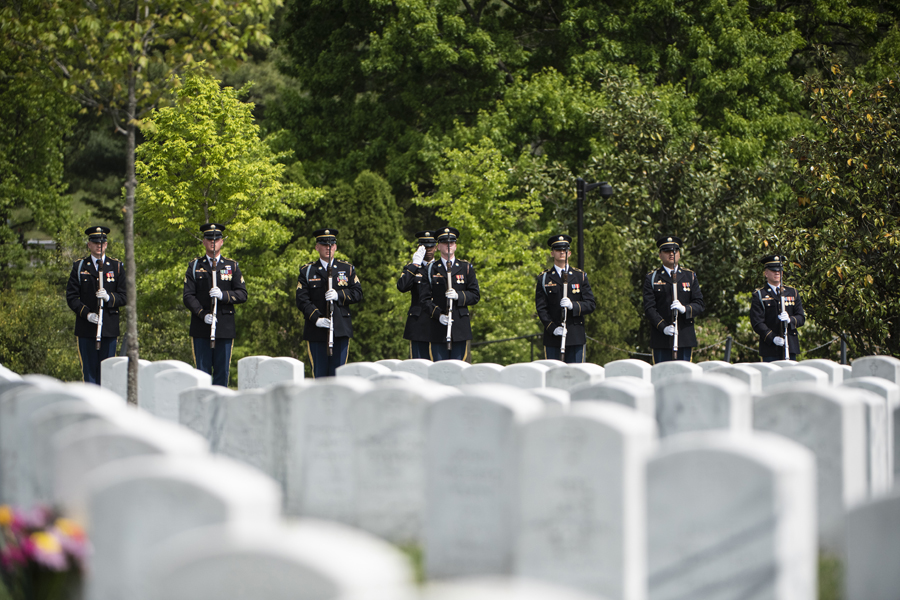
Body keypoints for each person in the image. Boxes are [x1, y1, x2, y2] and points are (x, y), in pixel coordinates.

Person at [183, 223, 247, 386]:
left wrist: (223, 295)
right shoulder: (195, 266)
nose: (213, 242)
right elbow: (188, 296)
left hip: (224, 327)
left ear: (222, 242)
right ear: (203, 242)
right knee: (202, 372)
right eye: (209, 239)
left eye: (216, 239)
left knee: (222, 372)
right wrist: (202, 314)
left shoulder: (231, 266)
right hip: (201, 326)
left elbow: (242, 294)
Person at [296, 228, 363, 377]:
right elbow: (302, 299)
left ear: (336, 247)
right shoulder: (308, 271)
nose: (328, 247)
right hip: (317, 330)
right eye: (324, 244)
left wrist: (339, 295)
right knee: (319, 375)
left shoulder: (346, 269)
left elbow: (358, 293)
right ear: (317, 247)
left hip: (340, 329)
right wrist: (316, 318)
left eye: (331, 244)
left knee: (338, 375)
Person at [66, 226, 126, 384]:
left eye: (102, 242)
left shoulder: (116, 267)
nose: (99, 245)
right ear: (89, 245)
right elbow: (72, 297)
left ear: (106, 244)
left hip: (108, 328)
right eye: (95, 242)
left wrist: (109, 298)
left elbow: (124, 296)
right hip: (87, 328)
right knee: (90, 374)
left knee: (108, 374)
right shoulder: (80, 267)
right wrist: (87, 314)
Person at [642, 235, 705, 363]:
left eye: (675, 250)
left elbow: (699, 304)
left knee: (685, 379)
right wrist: (663, 327)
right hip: (662, 339)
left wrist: (685, 309)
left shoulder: (689, 276)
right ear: (660, 255)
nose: (671, 254)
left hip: (684, 337)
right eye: (667, 251)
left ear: (679, 254)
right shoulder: (653, 278)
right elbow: (649, 308)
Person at [420, 227, 480, 361]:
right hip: (438, 328)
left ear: (455, 246)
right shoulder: (431, 269)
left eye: (451, 243)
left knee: (459, 369)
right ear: (438, 246)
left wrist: (459, 295)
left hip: (459, 328)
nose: (448, 246)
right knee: (438, 369)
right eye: (444, 242)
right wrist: (438, 315)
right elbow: (424, 299)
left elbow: (475, 295)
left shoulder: (465, 268)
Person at [535, 234, 597, 363]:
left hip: (575, 336)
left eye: (565, 250)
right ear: (552, 253)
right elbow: (542, 308)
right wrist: (553, 328)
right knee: (553, 376)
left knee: (576, 375)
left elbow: (590, 304)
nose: (562, 252)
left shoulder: (580, 276)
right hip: (554, 337)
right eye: (558, 250)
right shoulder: (544, 278)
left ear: (569, 253)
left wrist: (573, 305)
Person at [749, 254, 805, 361]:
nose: (777, 272)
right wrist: (772, 337)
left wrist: (790, 320)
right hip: (770, 348)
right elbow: (757, 322)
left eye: (779, 270)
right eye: (773, 270)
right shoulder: (760, 295)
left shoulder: (792, 292)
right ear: (766, 273)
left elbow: (801, 317)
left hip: (790, 346)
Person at [397, 230, 438, 359]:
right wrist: (415, 265)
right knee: (418, 364)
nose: (429, 250)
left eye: (431, 246)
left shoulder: (441, 267)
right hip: (418, 322)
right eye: (425, 247)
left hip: (437, 320)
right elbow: (402, 286)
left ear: (436, 247)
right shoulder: (412, 268)